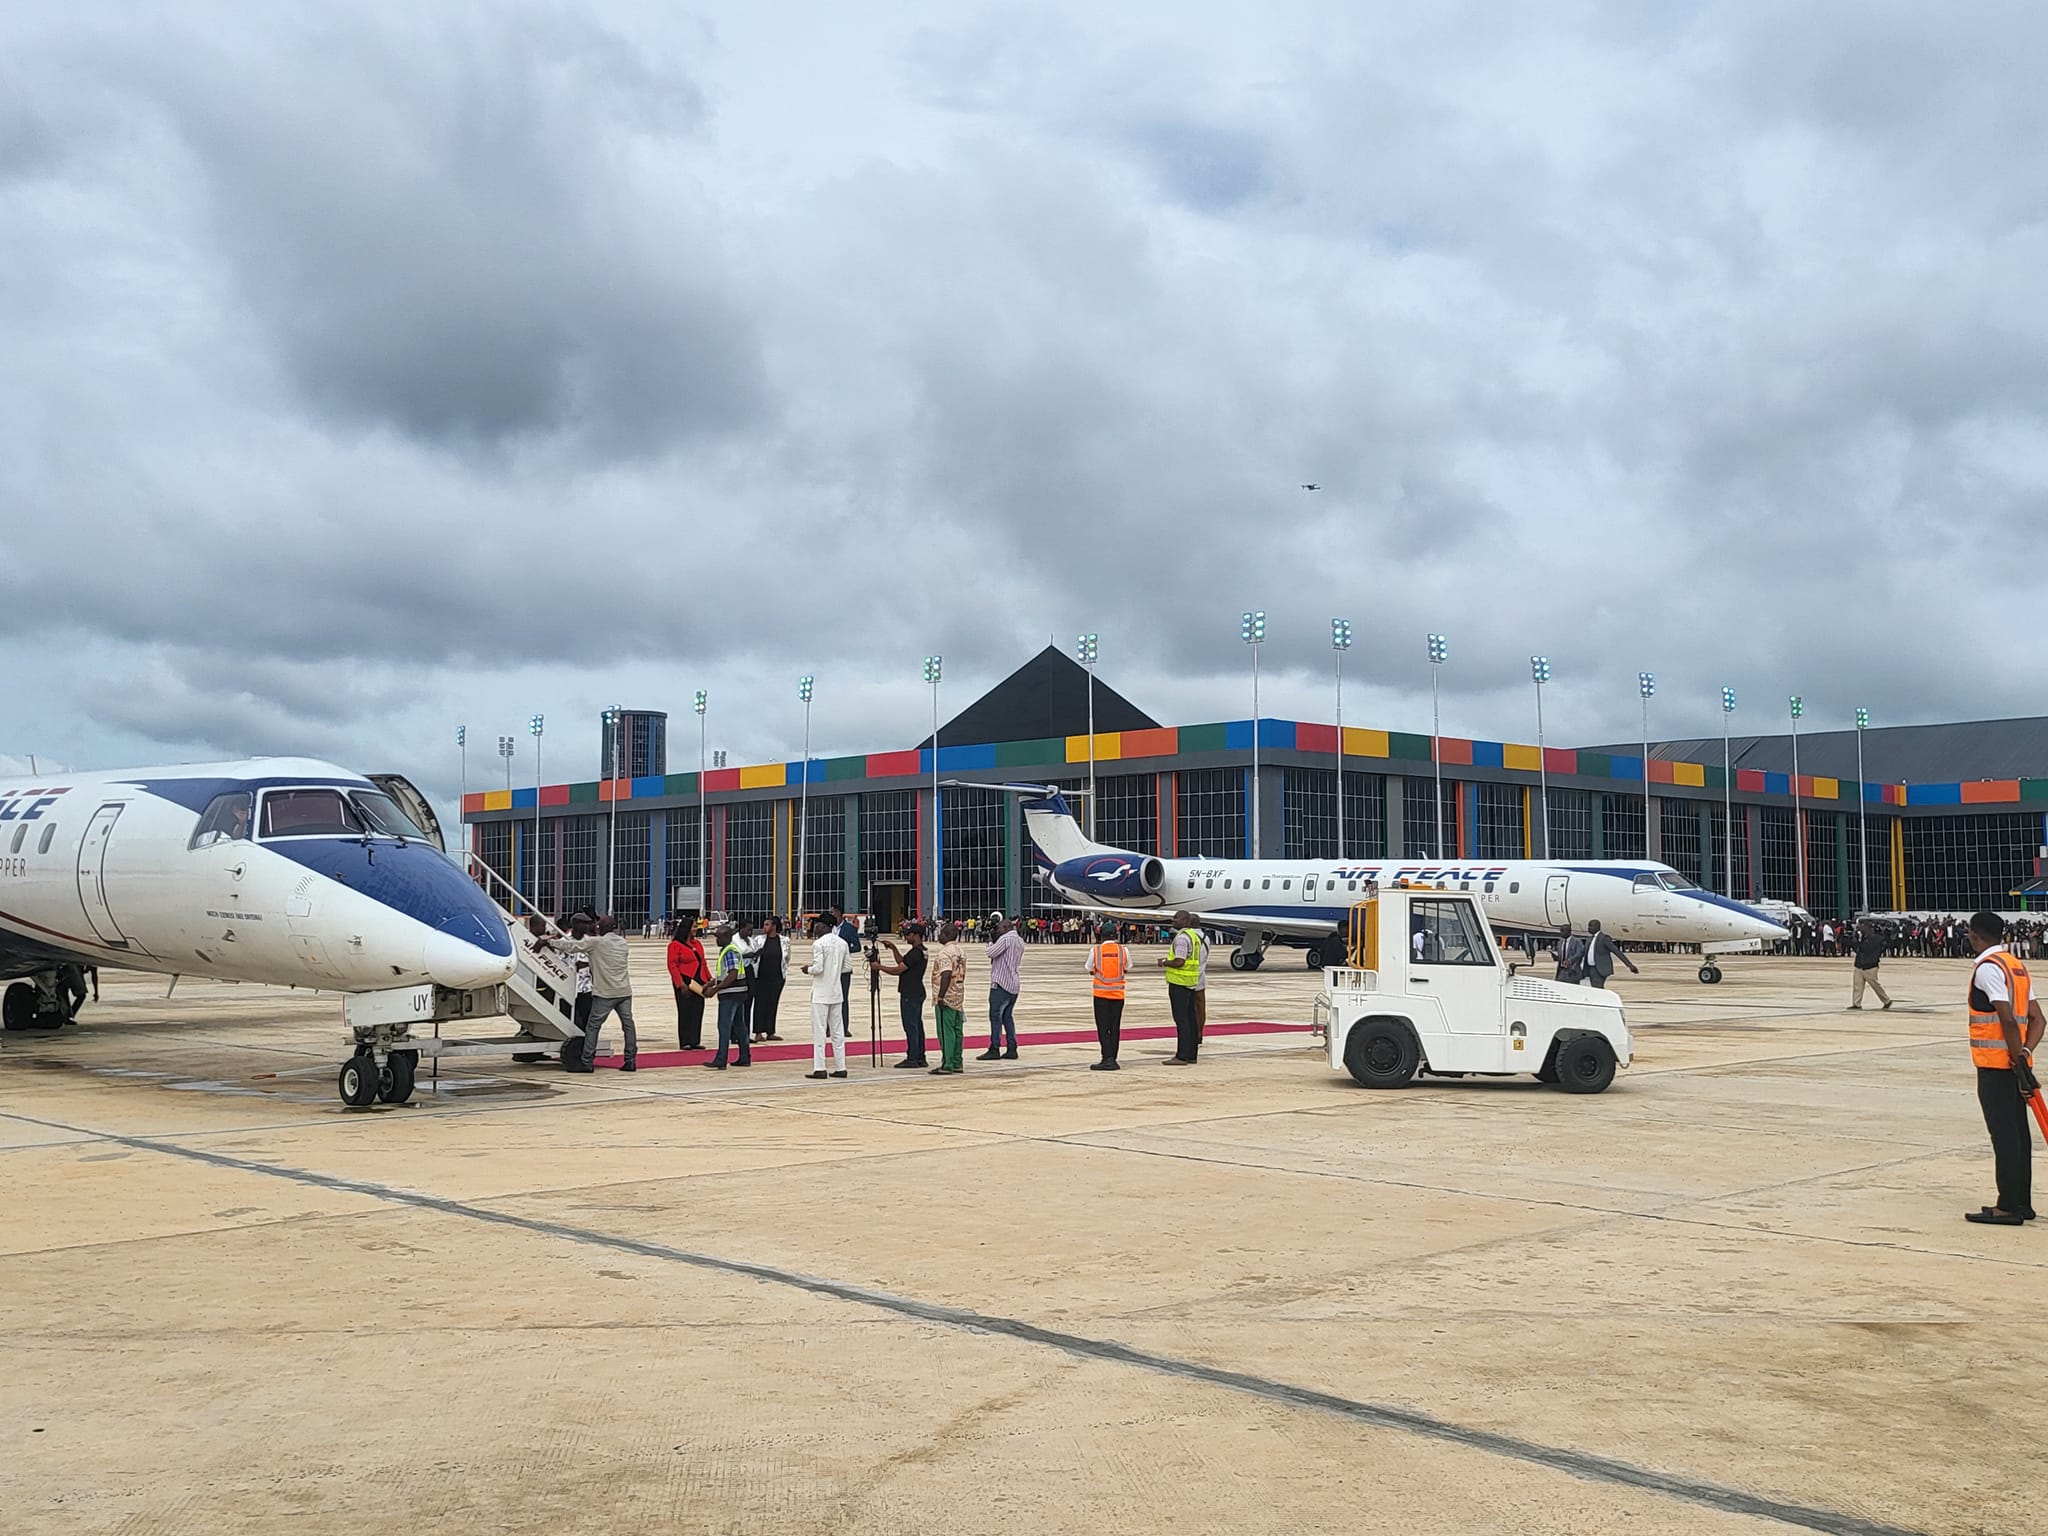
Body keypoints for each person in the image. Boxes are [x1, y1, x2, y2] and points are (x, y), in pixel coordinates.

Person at [1964, 911, 2045, 1225]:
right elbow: (2038, 1019)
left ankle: (2008, 1206)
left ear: (1975, 934)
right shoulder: (2016, 966)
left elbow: (2008, 1018)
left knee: (2004, 1136)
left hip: (1997, 1067)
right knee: (2019, 1135)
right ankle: (2021, 1202)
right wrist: (2025, 1053)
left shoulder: (1987, 969)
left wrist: (2016, 1058)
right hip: (2015, 1063)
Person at [542, 915, 636, 1071]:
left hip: (604, 992)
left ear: (602, 928)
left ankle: (586, 1061)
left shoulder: (596, 943)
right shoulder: (623, 943)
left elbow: (572, 947)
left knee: (593, 1027)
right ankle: (630, 1060)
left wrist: (549, 942)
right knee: (628, 1026)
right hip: (624, 991)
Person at [876, 922, 929, 1068]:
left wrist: (879, 967)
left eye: (909, 934)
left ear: (916, 935)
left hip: (910, 993)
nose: (906, 937)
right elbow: (903, 962)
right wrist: (893, 948)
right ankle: (920, 1056)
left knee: (910, 1026)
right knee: (917, 1025)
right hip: (917, 991)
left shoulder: (915, 953)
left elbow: (898, 969)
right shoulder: (921, 951)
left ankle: (912, 1057)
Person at [804, 913, 850, 1079]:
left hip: (821, 994)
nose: (815, 927)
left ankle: (820, 1068)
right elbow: (847, 967)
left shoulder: (818, 944)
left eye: (819, 924)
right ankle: (841, 1067)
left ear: (826, 926)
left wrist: (807, 969)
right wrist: (834, 972)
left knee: (820, 1031)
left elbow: (818, 968)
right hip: (836, 993)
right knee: (838, 1033)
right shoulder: (843, 943)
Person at [1159, 910, 1203, 1065]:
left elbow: (1180, 961)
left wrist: (1164, 962)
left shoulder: (1182, 938)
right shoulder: (1194, 936)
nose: (1173, 920)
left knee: (1182, 1020)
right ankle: (1191, 1054)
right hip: (1191, 982)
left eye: (1176, 918)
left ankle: (1182, 1055)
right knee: (1191, 1018)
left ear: (1185, 920)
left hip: (1179, 982)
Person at [706, 923, 752, 1070]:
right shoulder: (728, 950)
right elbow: (725, 973)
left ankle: (721, 1058)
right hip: (739, 992)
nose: (716, 940)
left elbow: (732, 974)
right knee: (740, 1025)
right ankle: (745, 1057)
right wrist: (712, 982)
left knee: (724, 1026)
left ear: (727, 937)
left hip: (731, 994)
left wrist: (715, 989)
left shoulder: (729, 952)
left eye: (718, 937)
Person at [981, 911, 1024, 1060]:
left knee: (995, 1017)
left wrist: (991, 941)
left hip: (1001, 983)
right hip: (1014, 983)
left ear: (1006, 927)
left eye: (999, 927)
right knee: (1007, 1017)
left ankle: (994, 1048)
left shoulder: (1006, 939)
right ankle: (1012, 1048)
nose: (997, 929)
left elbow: (991, 953)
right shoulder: (1019, 940)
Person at [1086, 918, 1127, 1070]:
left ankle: (1106, 1057)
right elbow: (1129, 966)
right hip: (1118, 995)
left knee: (1103, 1027)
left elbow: (1088, 967)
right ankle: (1113, 1057)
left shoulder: (1095, 950)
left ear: (1100, 934)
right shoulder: (1123, 950)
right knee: (1115, 1026)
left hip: (1101, 995)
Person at [667, 915, 711, 1049]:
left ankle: (695, 1040)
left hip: (698, 981)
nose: (695, 929)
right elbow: (672, 965)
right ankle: (685, 1041)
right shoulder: (675, 945)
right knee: (685, 1010)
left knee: (698, 1009)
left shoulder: (697, 944)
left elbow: (703, 962)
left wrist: (709, 979)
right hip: (684, 980)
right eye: (693, 927)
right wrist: (680, 983)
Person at [929, 922, 967, 1074]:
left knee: (946, 1031)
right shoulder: (960, 951)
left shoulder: (944, 953)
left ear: (947, 935)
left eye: (941, 933)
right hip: (958, 995)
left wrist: (940, 996)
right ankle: (958, 1062)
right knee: (958, 1030)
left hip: (947, 996)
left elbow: (946, 974)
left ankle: (947, 1063)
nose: (939, 936)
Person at [752, 915, 789, 1041]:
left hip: (777, 977)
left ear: (774, 926)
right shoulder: (759, 940)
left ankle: (770, 1031)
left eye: (767, 924)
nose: (764, 927)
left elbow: (787, 958)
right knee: (759, 1004)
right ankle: (758, 1031)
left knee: (773, 1003)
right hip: (761, 977)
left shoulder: (784, 941)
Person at [1848, 921, 1893, 1012]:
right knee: (1857, 986)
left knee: (1875, 985)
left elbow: (1866, 949)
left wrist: (1858, 941)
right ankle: (1856, 1003)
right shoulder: (1863, 937)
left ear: (1868, 927)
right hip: (1859, 964)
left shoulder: (1875, 938)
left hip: (1870, 965)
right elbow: (1858, 949)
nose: (1860, 928)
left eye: (1862, 926)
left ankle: (1886, 1000)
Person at [1581, 921, 1637, 989]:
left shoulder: (1604, 938)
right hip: (1590, 968)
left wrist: (1629, 965)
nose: (1589, 928)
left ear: (1597, 927)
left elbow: (1616, 951)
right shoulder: (1589, 939)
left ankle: (1602, 999)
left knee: (1597, 987)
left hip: (1600, 968)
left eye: (1591, 926)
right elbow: (1582, 953)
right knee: (1595, 987)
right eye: (1588, 926)